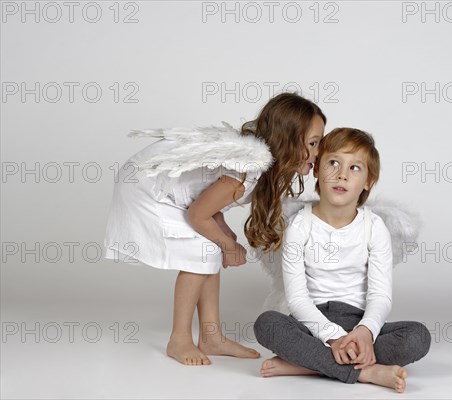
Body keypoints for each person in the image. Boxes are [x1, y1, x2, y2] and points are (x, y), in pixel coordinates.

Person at [104, 93, 326, 365]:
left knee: (209, 248)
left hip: (173, 193)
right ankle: (179, 338)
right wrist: (229, 245)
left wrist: (225, 235)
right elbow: (198, 214)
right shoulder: (245, 170)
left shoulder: (257, 161)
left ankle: (211, 337)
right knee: (199, 252)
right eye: (313, 144)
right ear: (287, 140)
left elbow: (206, 199)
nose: (318, 153)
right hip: (146, 187)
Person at [253, 127, 431, 392]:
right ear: (316, 170)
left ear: (369, 181)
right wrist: (333, 337)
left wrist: (365, 332)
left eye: (355, 168)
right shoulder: (299, 226)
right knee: (267, 324)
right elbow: (298, 299)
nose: (342, 175)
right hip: (311, 324)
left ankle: (308, 365)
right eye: (333, 163)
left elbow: (380, 296)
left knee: (417, 337)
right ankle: (365, 373)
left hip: (358, 322)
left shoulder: (375, 227)